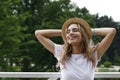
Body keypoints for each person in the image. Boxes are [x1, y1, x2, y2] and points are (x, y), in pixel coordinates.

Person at [35, 17, 116, 80]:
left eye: (75, 30)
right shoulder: (61, 52)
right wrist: (63, 32)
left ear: (83, 35)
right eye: (68, 31)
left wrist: (88, 31)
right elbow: (38, 34)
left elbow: (111, 31)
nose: (71, 33)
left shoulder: (94, 53)